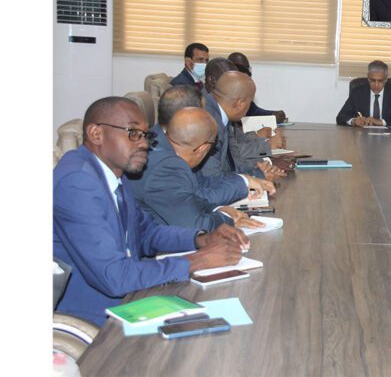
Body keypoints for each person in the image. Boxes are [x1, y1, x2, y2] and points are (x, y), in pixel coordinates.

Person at [53, 97, 249, 326]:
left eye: (146, 135)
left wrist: (202, 239)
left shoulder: (114, 171)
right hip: (96, 322)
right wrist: (197, 261)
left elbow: (146, 234)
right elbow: (115, 277)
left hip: (134, 297)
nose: (144, 144)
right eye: (133, 133)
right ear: (96, 134)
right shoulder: (78, 182)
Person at [129, 106, 267, 231]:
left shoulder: (165, 148)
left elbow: (189, 196)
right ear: (202, 149)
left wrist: (218, 209)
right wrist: (227, 219)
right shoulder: (166, 167)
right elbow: (194, 226)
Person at [336, 60, 391, 127]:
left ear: (386, 79)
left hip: (389, 137)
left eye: (380, 81)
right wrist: (353, 121)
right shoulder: (357, 92)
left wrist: (381, 122)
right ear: (368, 77)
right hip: (363, 135)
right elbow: (340, 117)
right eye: (372, 80)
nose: (376, 85)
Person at [228, 51, 287, 124]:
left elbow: (254, 111)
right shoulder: (223, 94)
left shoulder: (243, 91)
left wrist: (273, 114)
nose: (246, 73)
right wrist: (269, 120)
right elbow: (236, 122)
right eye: (240, 69)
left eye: (246, 69)